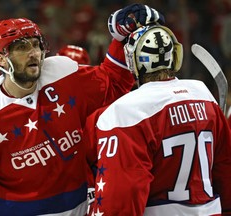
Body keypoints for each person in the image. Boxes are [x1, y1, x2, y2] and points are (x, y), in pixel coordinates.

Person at [0, 4, 165, 216]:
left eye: (36, 44)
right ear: (1, 59)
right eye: (22, 47)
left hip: (77, 208)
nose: (34, 53)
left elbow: (113, 83)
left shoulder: (62, 73)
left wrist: (120, 37)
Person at [86, 24, 231, 215]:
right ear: (174, 56)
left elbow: (123, 195)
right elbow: (225, 167)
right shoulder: (203, 93)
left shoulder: (126, 111)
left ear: (133, 61)